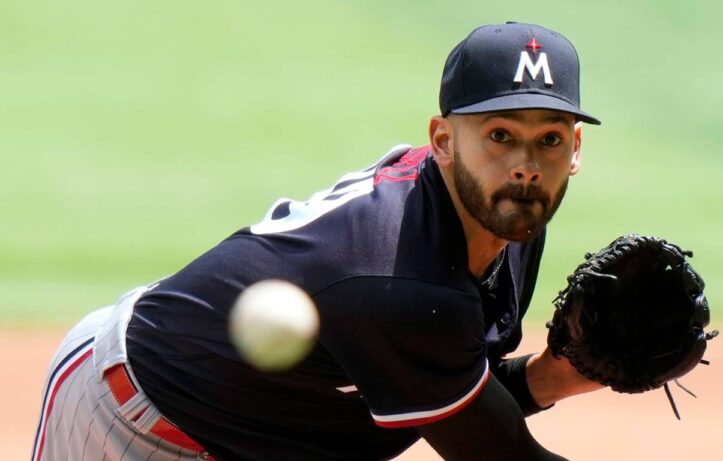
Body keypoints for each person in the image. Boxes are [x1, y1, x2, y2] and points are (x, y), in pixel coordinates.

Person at [32, 21, 604, 461]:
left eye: (549, 139)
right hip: (132, 424)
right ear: (443, 141)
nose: (526, 164)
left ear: (574, 150)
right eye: (499, 135)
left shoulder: (506, 214)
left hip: (256, 424)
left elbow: (445, 392)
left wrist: (555, 375)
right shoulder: (399, 281)